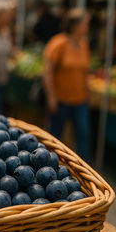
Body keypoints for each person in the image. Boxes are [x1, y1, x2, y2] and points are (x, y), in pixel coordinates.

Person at [43, 9, 90, 162]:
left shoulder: (83, 44)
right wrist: (51, 97)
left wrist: (86, 92)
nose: (88, 26)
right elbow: (48, 72)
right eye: (85, 23)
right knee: (55, 137)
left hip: (80, 100)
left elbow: (84, 72)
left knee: (82, 135)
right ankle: (49, 164)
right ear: (75, 25)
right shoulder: (58, 43)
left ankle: (82, 169)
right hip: (61, 99)